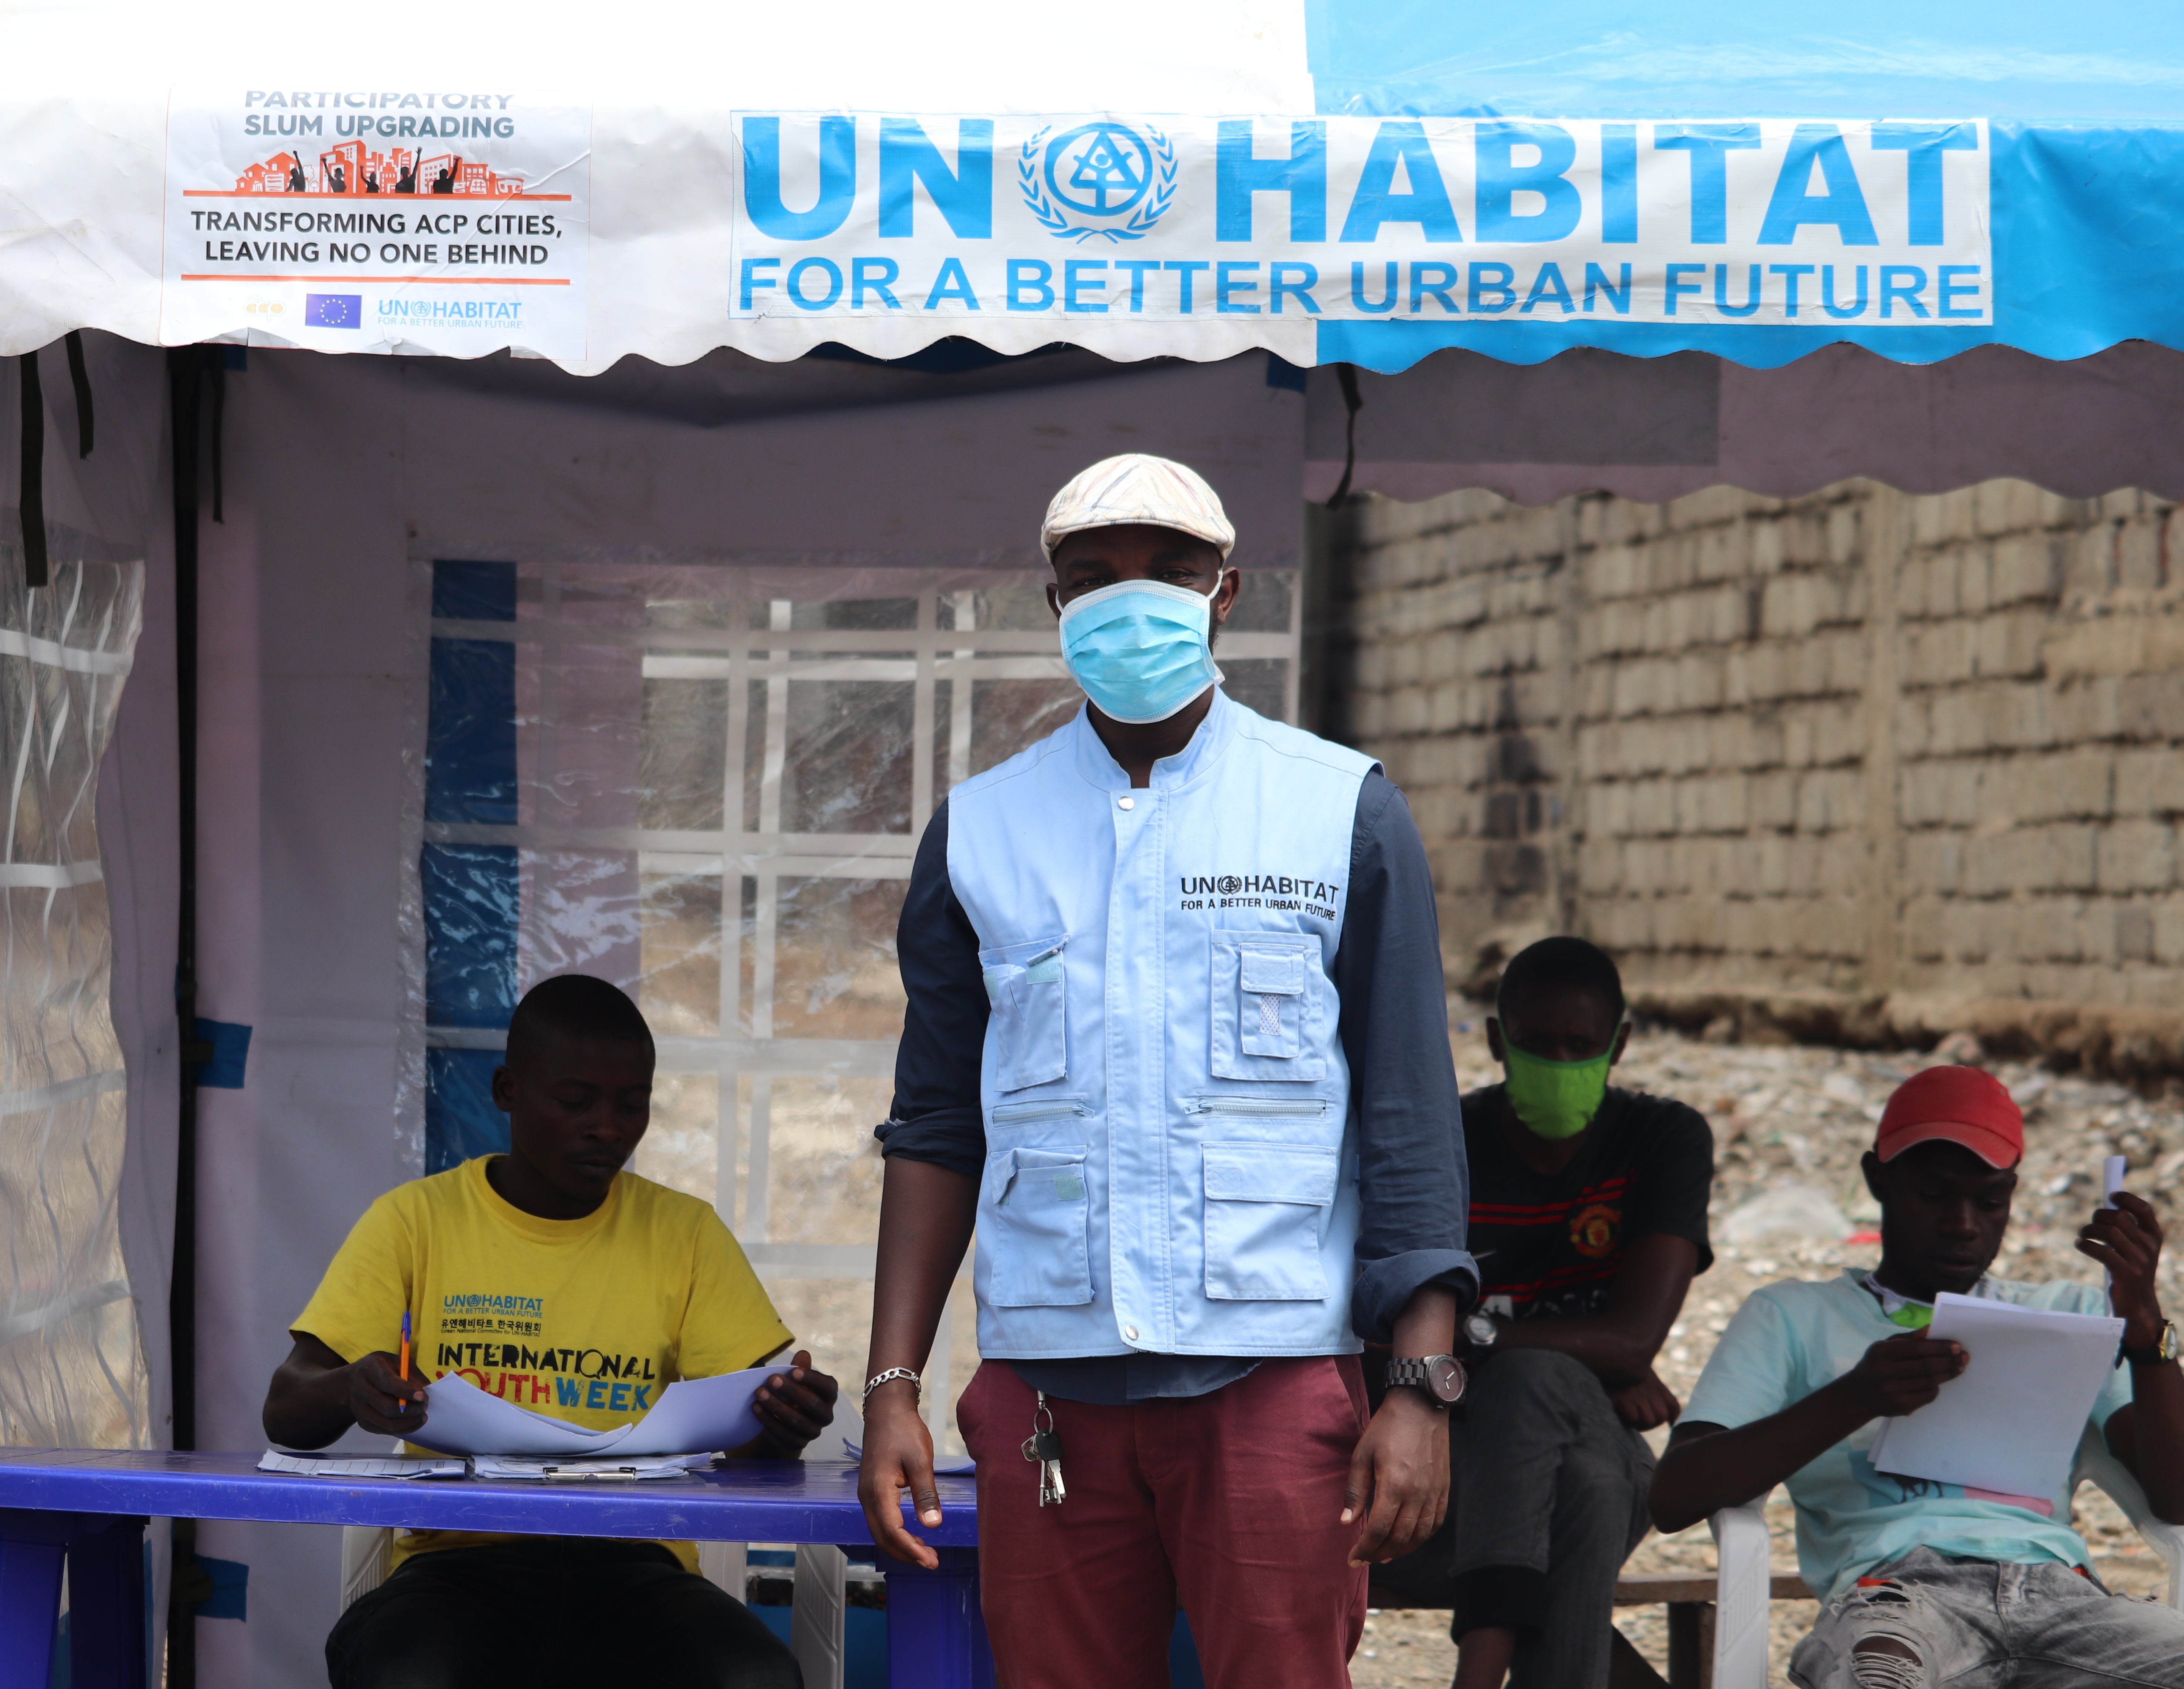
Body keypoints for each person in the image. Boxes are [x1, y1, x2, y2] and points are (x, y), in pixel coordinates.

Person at [858, 453, 1476, 1689]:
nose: (1132, 603)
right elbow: (935, 1127)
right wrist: (894, 1386)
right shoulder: (981, 829)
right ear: (1054, 604)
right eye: (1094, 580)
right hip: (1049, 1389)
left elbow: (1409, 1117)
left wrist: (1418, 1386)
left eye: (1171, 575)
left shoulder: (1337, 807)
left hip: (1277, 1377)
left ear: (1226, 592)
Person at [263, 974, 839, 1689]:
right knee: (407, 1672)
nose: (608, 1128)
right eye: (576, 1102)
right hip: (457, 1570)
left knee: (754, 1678)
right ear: (507, 1091)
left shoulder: (684, 1233)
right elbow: (286, 1411)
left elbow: (748, 1451)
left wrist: (786, 1423)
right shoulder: (414, 1223)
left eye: (634, 1106)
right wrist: (353, 1389)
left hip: (636, 1568)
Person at [1653, 1064, 2184, 1689]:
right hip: (1899, 1598)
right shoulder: (1793, 1316)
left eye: (1990, 1201)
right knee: (1881, 1678)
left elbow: (2180, 1501)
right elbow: (1676, 1495)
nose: (1963, 1224)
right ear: (1877, 1179)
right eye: (1934, 1194)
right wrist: (1856, 1397)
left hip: (2063, 1597)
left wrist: (2147, 1331)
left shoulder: (2068, 1313)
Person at [1373, 936, 1712, 1689]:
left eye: (1580, 1046)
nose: (1559, 1063)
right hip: (1448, 1490)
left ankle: (1477, 1678)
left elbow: (1631, 1341)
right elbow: (1373, 1331)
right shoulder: (1445, 1145)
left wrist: (1476, 1337)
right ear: (1496, 1041)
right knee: (1579, 1490)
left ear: (1618, 1046)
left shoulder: (1661, 1139)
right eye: (1536, 1044)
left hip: (1588, 1452)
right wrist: (1594, 1358)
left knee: (1531, 1381)